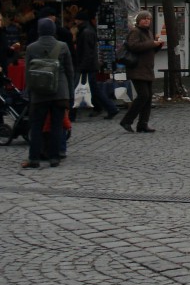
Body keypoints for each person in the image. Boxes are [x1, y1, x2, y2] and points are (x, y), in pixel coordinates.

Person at [21, 18, 74, 168]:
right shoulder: (62, 46)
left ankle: (34, 158)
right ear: (54, 30)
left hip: (39, 92)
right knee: (57, 125)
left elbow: (28, 72)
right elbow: (69, 71)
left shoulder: (31, 48)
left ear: (39, 31)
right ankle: (54, 158)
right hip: (59, 92)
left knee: (36, 126)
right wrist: (70, 93)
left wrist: (28, 92)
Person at [118, 10, 163, 133]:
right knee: (143, 95)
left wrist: (158, 45)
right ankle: (127, 120)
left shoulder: (148, 32)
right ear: (139, 21)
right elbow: (134, 46)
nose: (147, 21)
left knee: (148, 98)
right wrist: (152, 43)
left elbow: (150, 50)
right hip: (137, 69)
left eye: (148, 19)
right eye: (144, 18)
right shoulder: (135, 31)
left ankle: (143, 124)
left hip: (147, 69)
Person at [75, 9, 118, 120]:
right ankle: (106, 108)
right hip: (90, 65)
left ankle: (110, 108)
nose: (75, 21)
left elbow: (87, 52)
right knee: (93, 89)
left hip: (87, 66)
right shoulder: (87, 30)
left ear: (80, 20)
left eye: (77, 19)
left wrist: (82, 67)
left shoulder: (85, 32)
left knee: (84, 88)